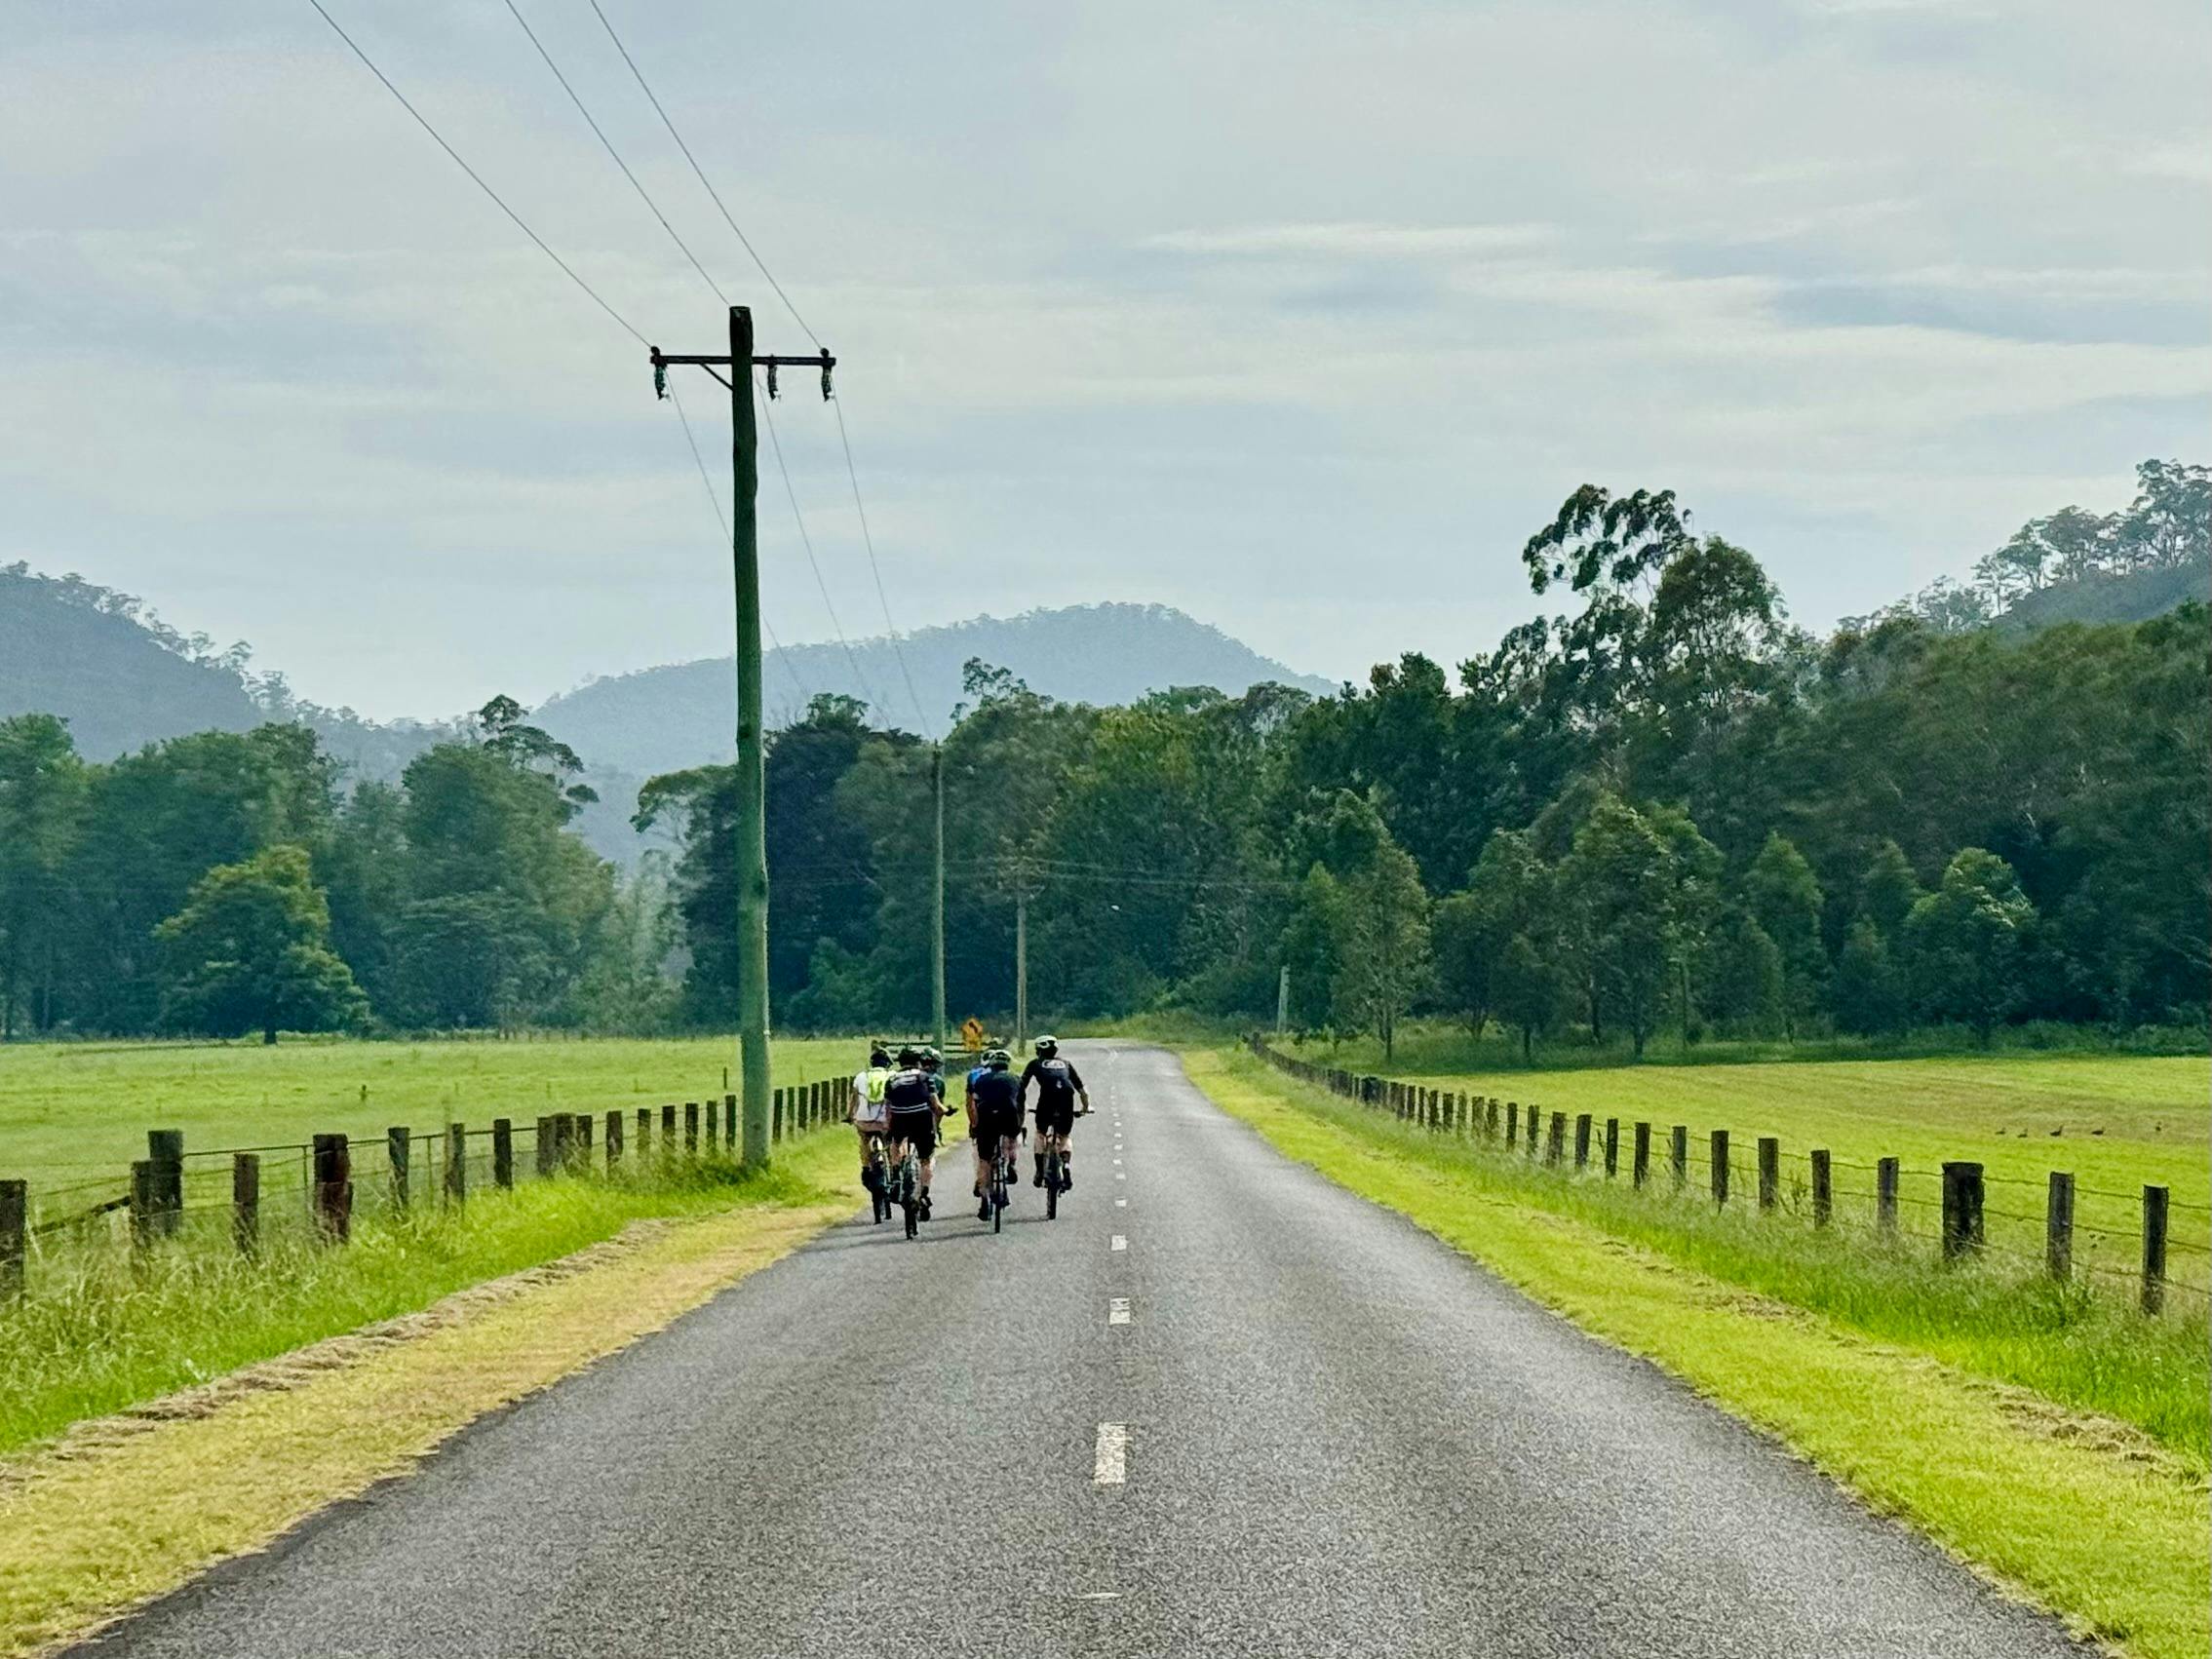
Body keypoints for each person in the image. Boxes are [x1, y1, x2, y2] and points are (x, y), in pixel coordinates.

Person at [1020, 1035, 1089, 1191]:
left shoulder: (1035, 1063)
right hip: (1067, 1099)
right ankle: (1066, 1165)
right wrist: (1085, 1108)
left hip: (1047, 1100)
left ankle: (1039, 1171)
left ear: (1038, 1050)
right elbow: (1082, 1090)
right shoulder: (1066, 1063)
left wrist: (1021, 1104)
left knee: (1040, 1134)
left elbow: (1021, 1087)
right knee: (1064, 1136)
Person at [882, 1046, 944, 1219]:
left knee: (896, 1143)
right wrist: (946, 1111)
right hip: (921, 1119)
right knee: (927, 1158)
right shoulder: (925, 1077)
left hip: (900, 1118)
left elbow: (888, 1107)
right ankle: (924, 1192)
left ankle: (895, 1172)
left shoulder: (892, 1079)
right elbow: (935, 1105)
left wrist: (888, 1127)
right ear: (918, 1061)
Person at [966, 1048, 1024, 1220]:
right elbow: (1021, 1105)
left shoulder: (980, 1079)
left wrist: (975, 1125)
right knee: (1012, 1140)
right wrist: (1019, 1125)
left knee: (984, 1160)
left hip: (986, 1118)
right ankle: (1010, 1165)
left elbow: (973, 1104)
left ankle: (984, 1200)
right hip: (1009, 1116)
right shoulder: (1016, 1078)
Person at [849, 1045, 893, 1197]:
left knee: (864, 1140)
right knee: (890, 1142)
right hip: (885, 1120)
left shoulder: (861, 1076)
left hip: (864, 1120)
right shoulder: (892, 1075)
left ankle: (866, 1167)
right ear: (887, 1063)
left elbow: (854, 1099)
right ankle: (892, 1168)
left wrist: (850, 1115)